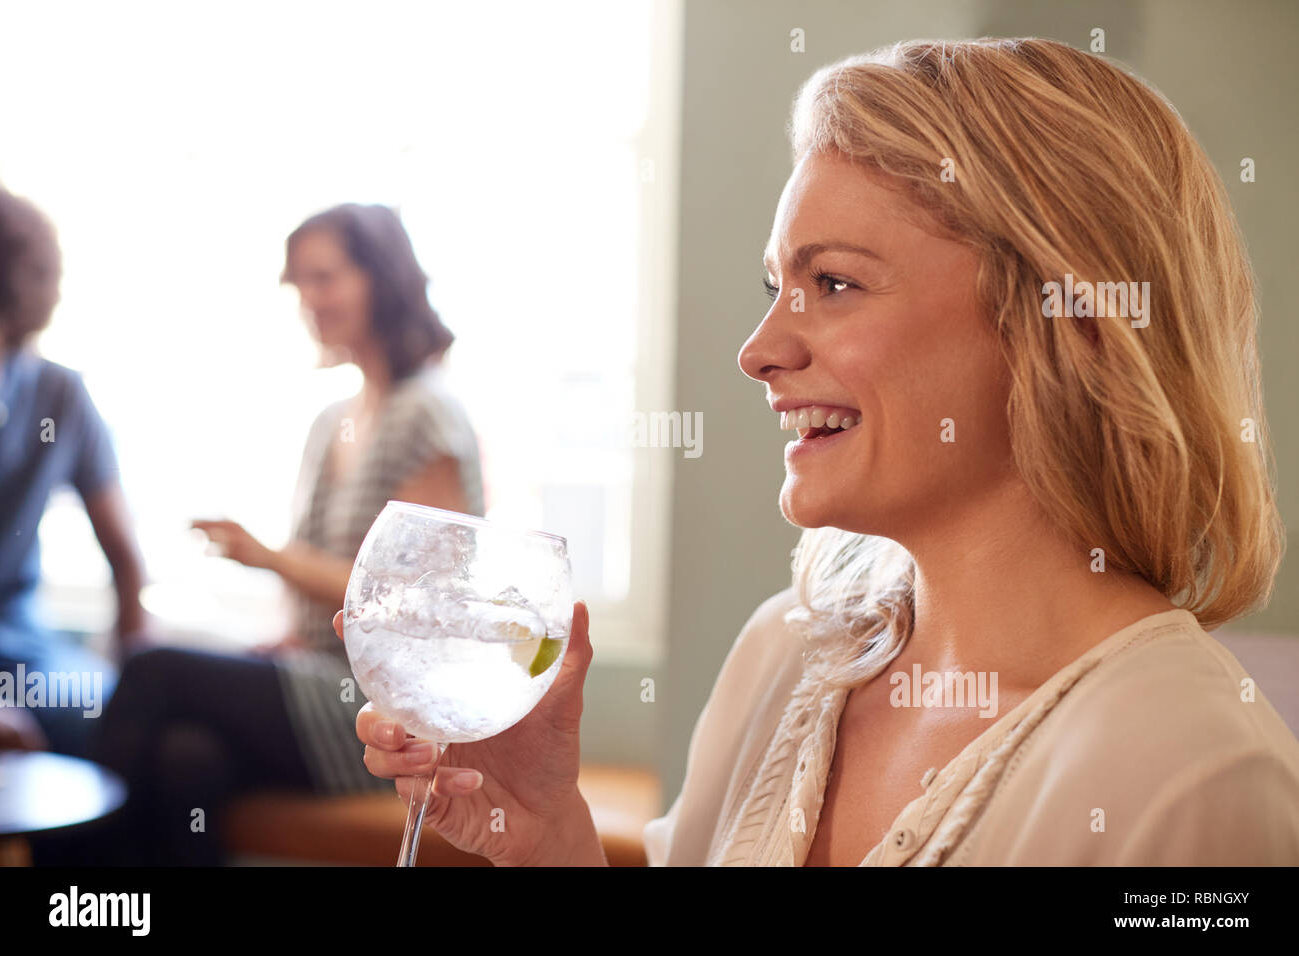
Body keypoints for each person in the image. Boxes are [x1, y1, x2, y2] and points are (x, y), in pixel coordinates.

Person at [338, 38, 1299, 866]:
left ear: (1065, 322)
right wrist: (548, 834)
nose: (759, 352)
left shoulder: (1195, 774)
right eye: (776, 284)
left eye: (834, 283)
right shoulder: (787, 652)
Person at [87, 203, 484, 865]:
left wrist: (270, 558)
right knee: (186, 758)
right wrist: (290, 635)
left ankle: (74, 895)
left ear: (380, 280)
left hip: (377, 706)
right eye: (299, 283)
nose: (308, 299)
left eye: (323, 278)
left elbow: (423, 605)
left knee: (151, 669)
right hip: (313, 671)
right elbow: (329, 590)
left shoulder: (429, 415)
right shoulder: (334, 420)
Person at [0, 188, 150, 759]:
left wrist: (141, 678)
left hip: (23, 651)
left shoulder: (60, 394)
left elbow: (125, 557)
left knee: (126, 727)